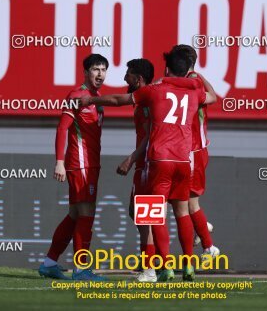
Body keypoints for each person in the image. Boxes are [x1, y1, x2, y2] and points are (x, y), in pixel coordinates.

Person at [78, 48, 216, 281]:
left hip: (158, 160)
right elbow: (212, 97)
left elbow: (118, 100)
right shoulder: (193, 92)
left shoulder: (154, 91)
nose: (124, 78)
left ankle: (159, 267)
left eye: (128, 74)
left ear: (166, 69)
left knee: (153, 216)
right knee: (181, 213)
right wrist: (197, 76)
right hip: (184, 160)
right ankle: (189, 265)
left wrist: (91, 99)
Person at [39, 54, 108, 281]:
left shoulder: (96, 97)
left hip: (91, 163)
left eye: (103, 69)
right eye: (96, 69)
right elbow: (62, 129)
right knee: (86, 213)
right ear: (86, 72)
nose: (100, 74)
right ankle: (81, 270)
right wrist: (59, 161)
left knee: (75, 215)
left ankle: (49, 263)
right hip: (80, 163)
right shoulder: (76, 95)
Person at [171, 45, 220, 260]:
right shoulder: (194, 80)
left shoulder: (191, 82)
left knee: (188, 203)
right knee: (182, 202)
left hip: (192, 151)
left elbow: (212, 97)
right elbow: (213, 96)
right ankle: (201, 228)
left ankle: (209, 246)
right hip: (189, 150)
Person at [117, 59, 157, 282]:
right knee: (138, 214)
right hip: (145, 163)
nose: (125, 78)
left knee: (145, 218)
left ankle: (150, 269)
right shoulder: (145, 99)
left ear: (138, 79)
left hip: (147, 164)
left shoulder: (148, 99)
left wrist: (131, 159)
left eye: (128, 74)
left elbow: (151, 135)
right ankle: (154, 264)